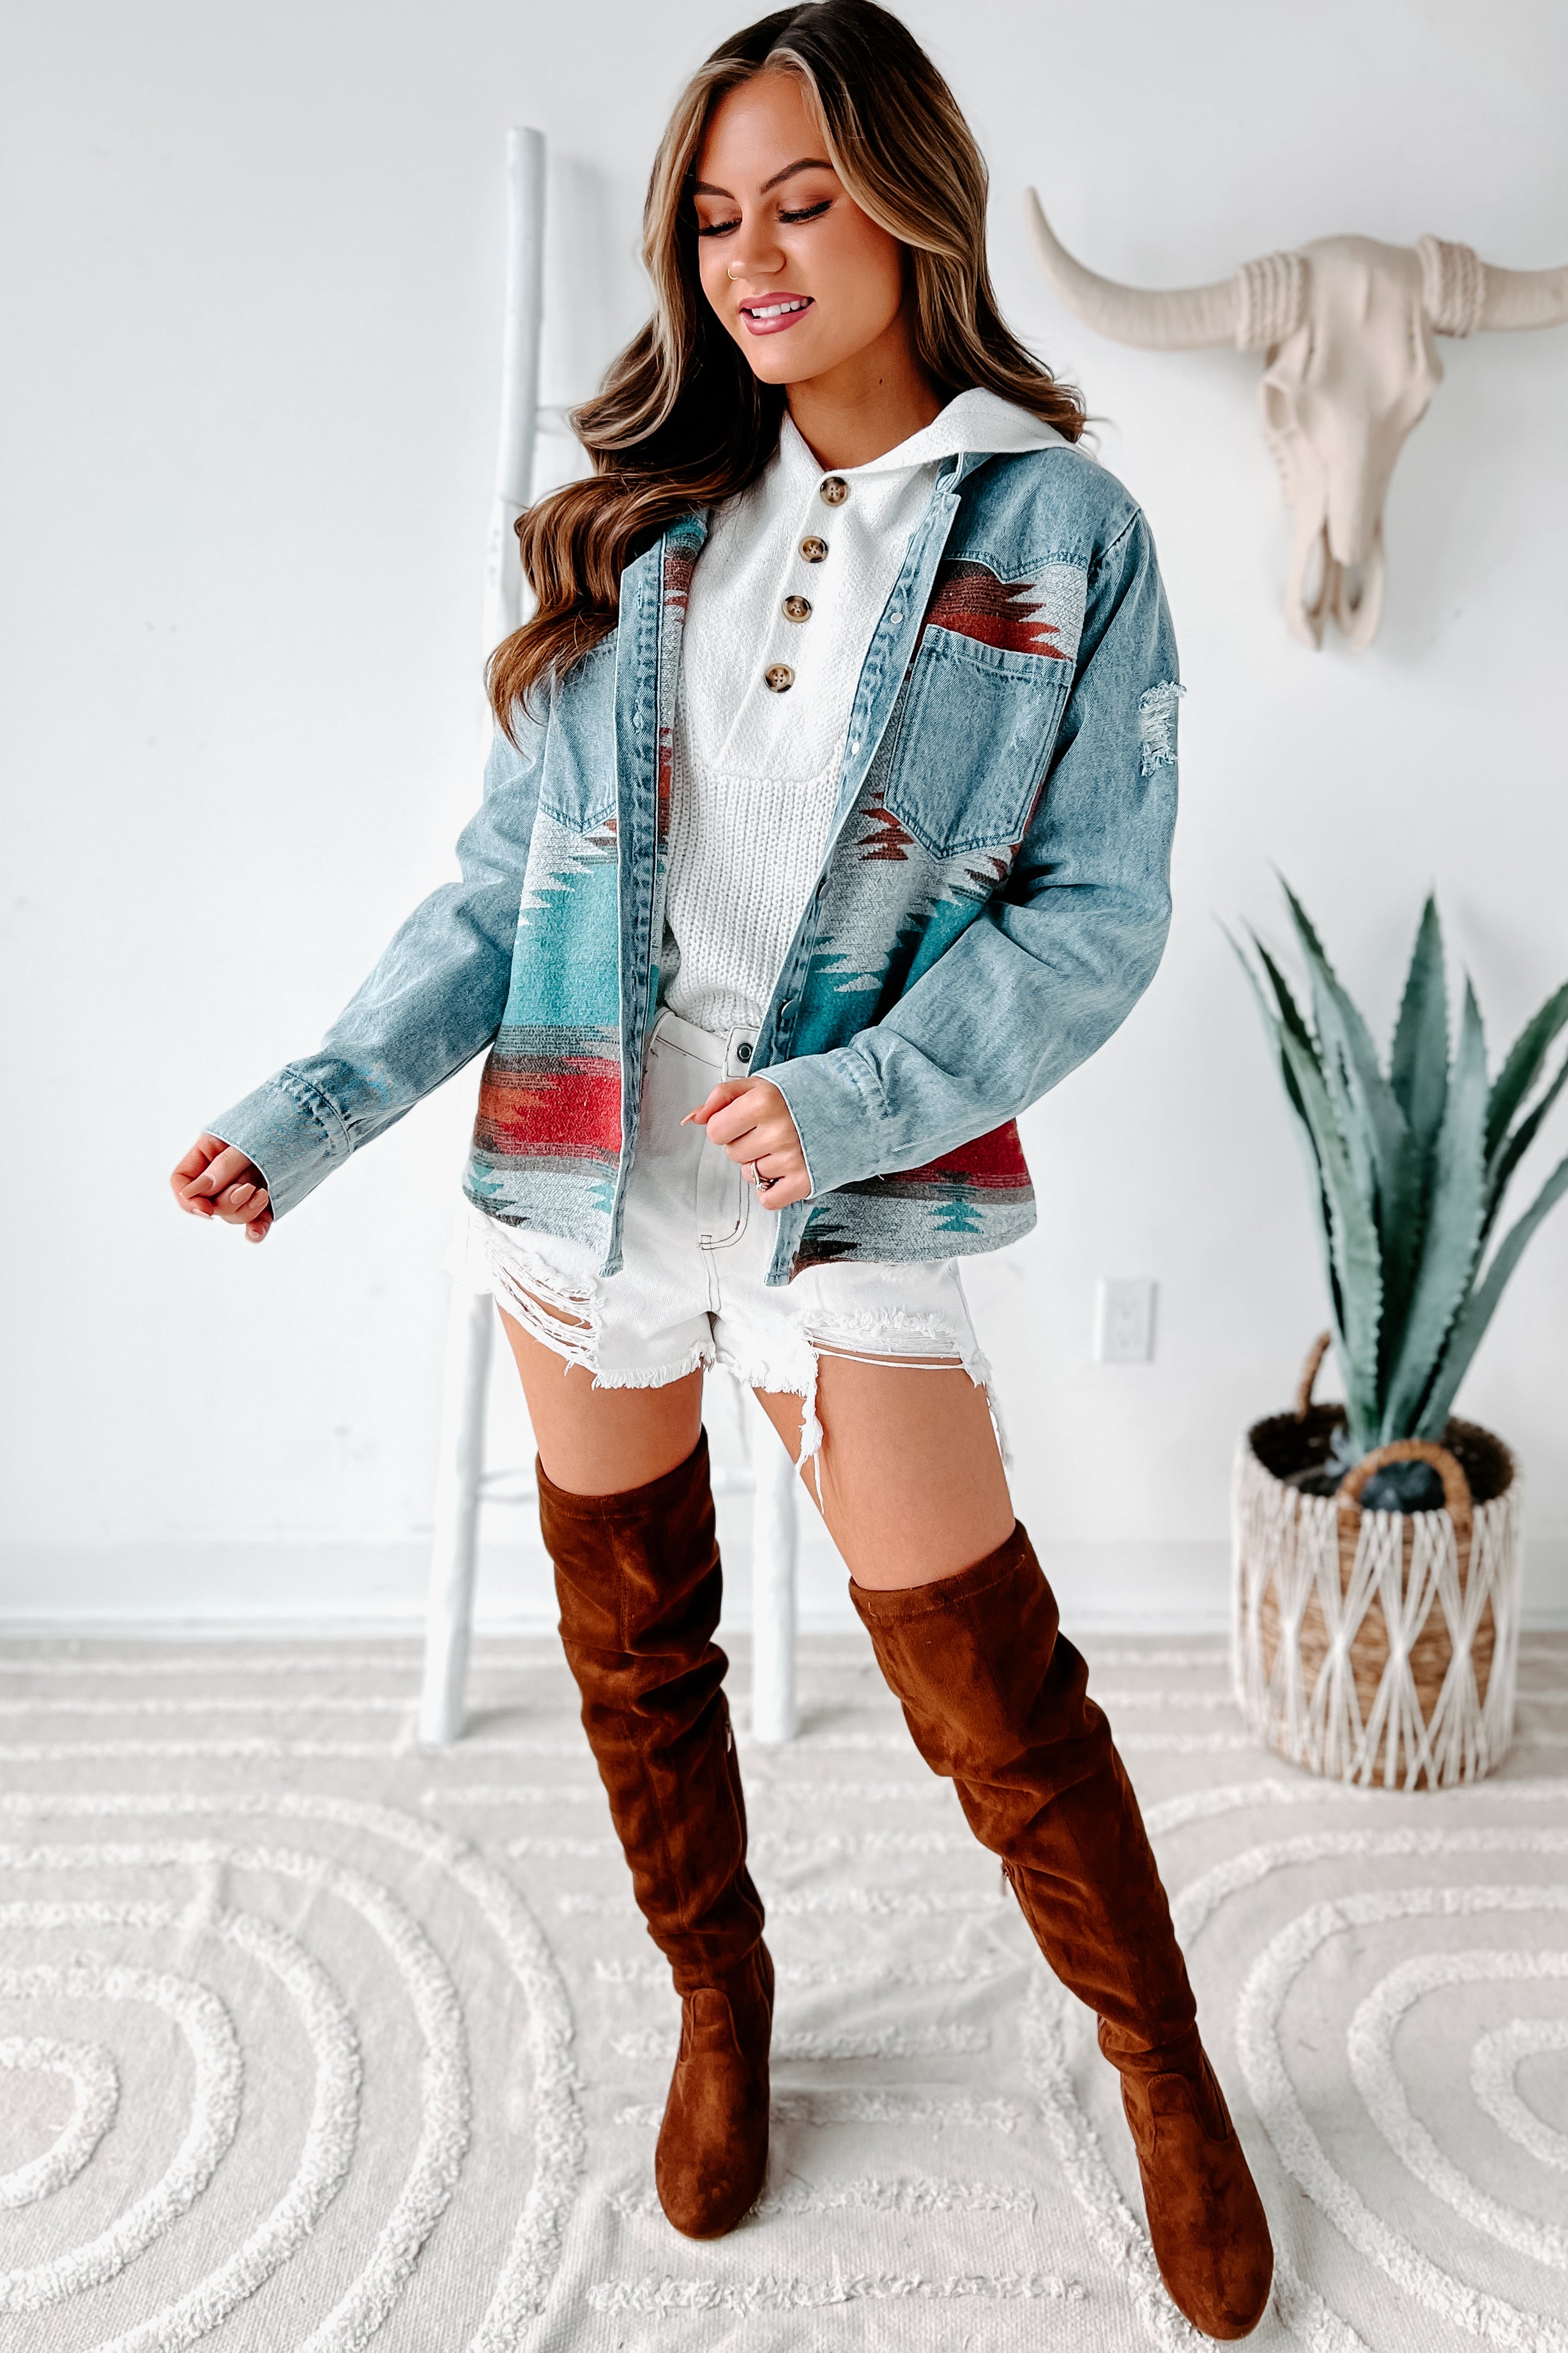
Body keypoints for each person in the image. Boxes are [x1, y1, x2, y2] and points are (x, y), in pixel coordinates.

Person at [170, 3, 1273, 2335]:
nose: (751, 257)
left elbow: (1100, 913)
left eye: (799, 202)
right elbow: (506, 885)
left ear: (910, 206)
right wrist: (313, 1109)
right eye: (710, 218)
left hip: (845, 1186)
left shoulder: (1057, 530)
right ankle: (720, 2002)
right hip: (583, 1162)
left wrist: (863, 1097)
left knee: (990, 1686)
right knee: (636, 1648)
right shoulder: (655, 522)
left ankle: (1163, 2066)